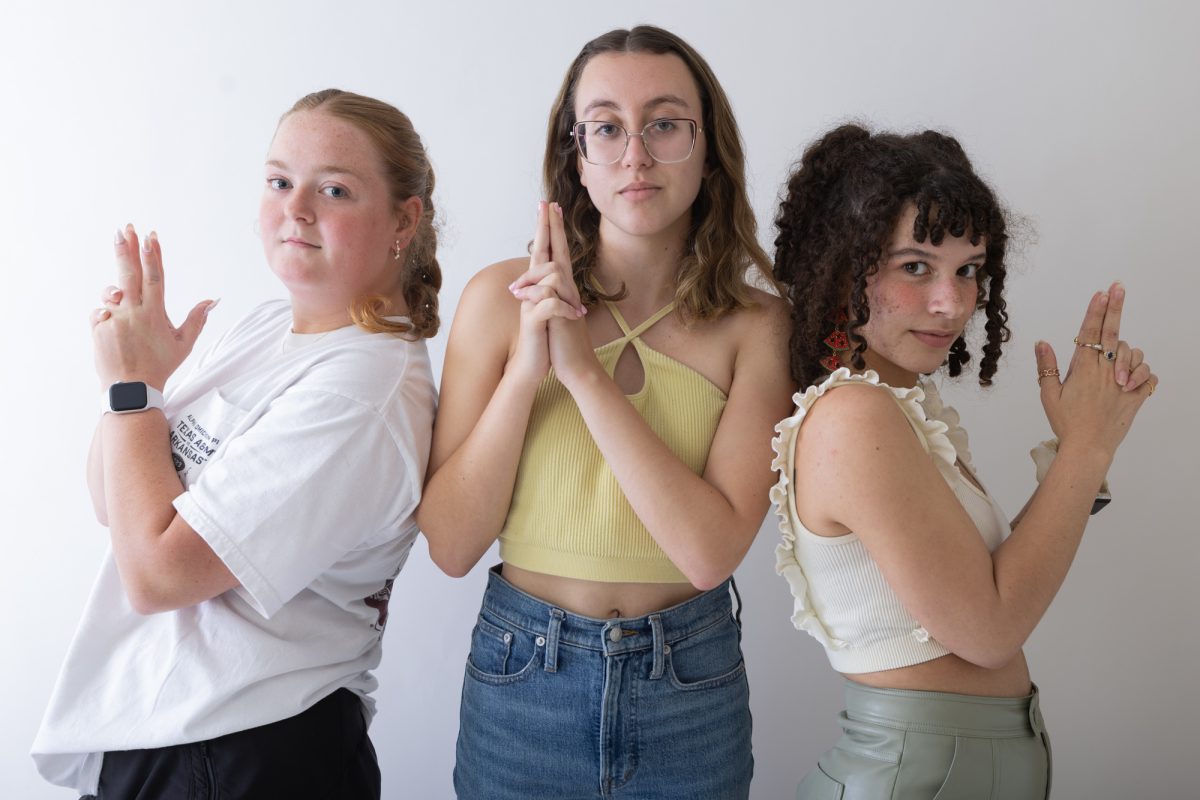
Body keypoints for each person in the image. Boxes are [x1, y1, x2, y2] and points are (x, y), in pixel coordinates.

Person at [417, 25, 792, 799]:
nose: (636, 155)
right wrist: (528, 369)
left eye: (664, 124)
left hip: (688, 686)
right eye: (607, 128)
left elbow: (709, 552)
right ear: (575, 154)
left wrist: (583, 376)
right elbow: (451, 546)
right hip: (523, 674)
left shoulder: (759, 327)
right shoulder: (495, 300)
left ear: (707, 146)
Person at [32, 89, 440, 799]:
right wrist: (141, 386)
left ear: (404, 220)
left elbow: (158, 574)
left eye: (334, 190)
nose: (296, 209)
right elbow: (116, 506)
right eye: (280, 181)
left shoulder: (360, 392)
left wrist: (134, 392)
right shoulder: (265, 327)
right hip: (178, 735)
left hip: (249, 752)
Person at [770, 124, 1156, 799]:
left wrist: (1085, 450)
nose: (952, 303)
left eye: (968, 270)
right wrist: (1086, 449)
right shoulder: (853, 419)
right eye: (915, 266)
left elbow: (992, 586)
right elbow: (989, 630)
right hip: (918, 774)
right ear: (843, 266)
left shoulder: (899, 407)